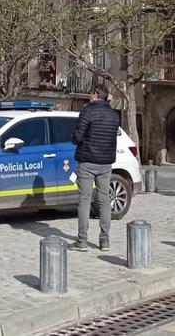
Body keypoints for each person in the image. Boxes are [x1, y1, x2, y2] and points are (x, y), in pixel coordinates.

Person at [70, 85, 120, 252]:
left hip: (88, 160)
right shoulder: (114, 115)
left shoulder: (88, 111)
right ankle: (104, 240)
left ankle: (82, 240)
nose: (89, 97)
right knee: (104, 200)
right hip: (106, 162)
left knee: (84, 199)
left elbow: (77, 136)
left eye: (91, 94)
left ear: (96, 95)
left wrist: (75, 138)